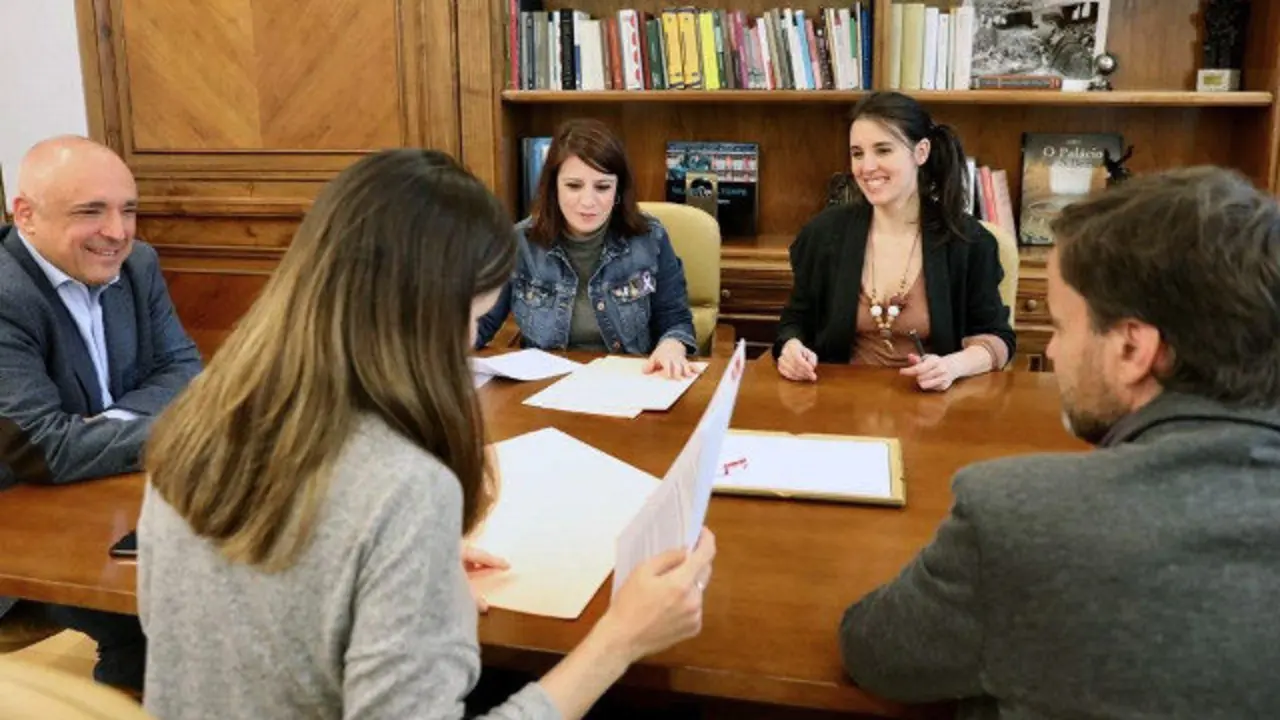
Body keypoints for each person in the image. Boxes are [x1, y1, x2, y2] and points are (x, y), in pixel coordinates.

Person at [137, 149, 716, 719]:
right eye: (469, 317)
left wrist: (400, 565)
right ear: (422, 312)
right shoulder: (404, 486)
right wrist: (619, 639)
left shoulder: (196, 422)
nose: (469, 342)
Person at [839, 166, 1280, 717]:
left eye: (1061, 326)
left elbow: (876, 652)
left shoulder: (1018, 519)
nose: (1051, 352)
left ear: (1131, 349)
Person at [0, 135, 202, 694]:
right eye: (91, 211)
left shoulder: (137, 264)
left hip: (106, 493)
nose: (118, 231)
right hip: (21, 529)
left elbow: (182, 367)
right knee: (159, 614)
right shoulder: (5, 294)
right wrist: (190, 429)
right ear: (25, 215)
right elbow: (43, 450)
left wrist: (101, 429)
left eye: (127, 209)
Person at [773, 92, 1014, 390]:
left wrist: (952, 366)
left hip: (934, 408)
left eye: (883, 150)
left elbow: (998, 339)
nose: (867, 167)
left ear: (921, 152)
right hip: (838, 403)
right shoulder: (823, 234)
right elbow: (795, 321)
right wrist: (791, 348)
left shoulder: (967, 241)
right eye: (857, 153)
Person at [475, 118, 699, 379]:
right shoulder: (518, 243)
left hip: (630, 386)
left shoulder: (650, 238)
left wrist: (672, 347)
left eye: (602, 187)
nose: (588, 201)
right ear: (553, 187)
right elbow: (480, 323)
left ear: (618, 190)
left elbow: (675, 319)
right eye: (573, 186)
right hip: (544, 390)